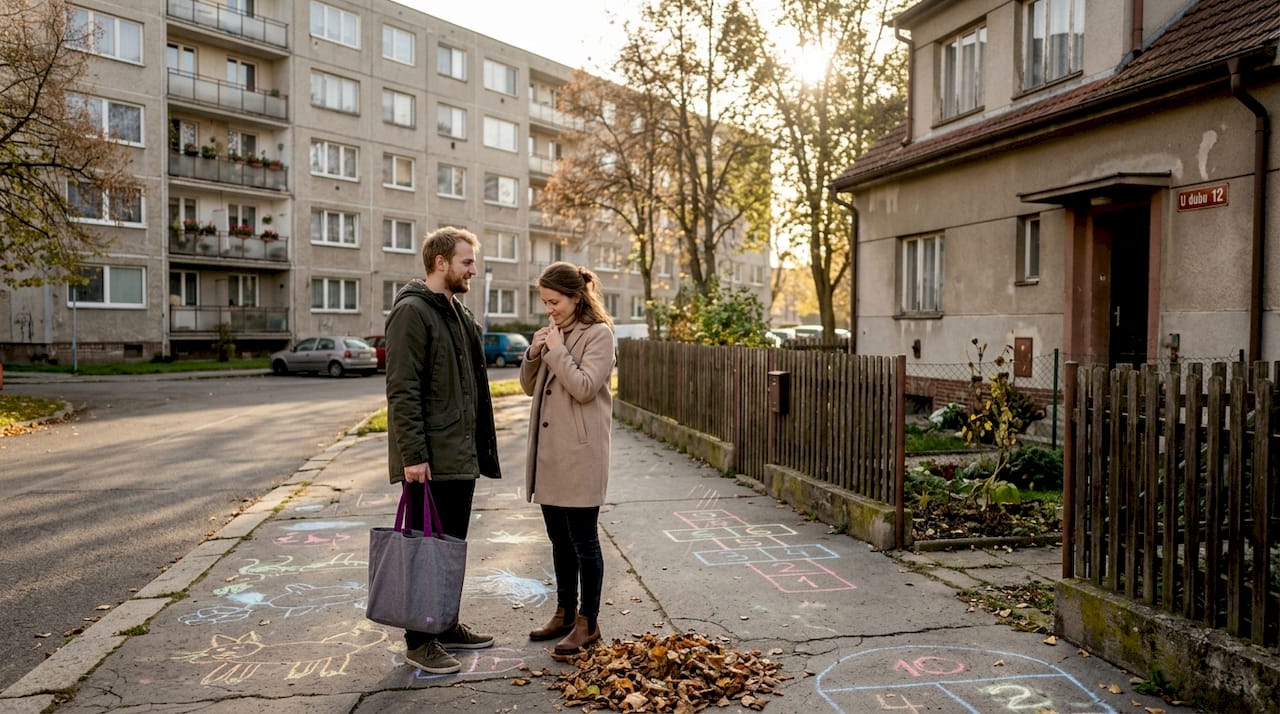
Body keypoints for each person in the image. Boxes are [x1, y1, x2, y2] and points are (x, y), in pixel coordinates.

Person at [384, 226, 502, 674]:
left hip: (459, 455)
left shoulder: (455, 311)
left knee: (450, 547)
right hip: (429, 460)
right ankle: (419, 640)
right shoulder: (413, 312)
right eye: (467, 262)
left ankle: (446, 623)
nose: (474, 269)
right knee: (424, 552)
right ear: (441, 263)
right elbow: (402, 389)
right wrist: (413, 455)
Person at [519, 262, 616, 658]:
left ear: (577, 297)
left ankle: (587, 622)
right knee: (558, 541)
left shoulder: (600, 335)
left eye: (554, 301)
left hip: (580, 455)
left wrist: (556, 352)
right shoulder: (554, 334)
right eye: (544, 303)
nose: (549, 310)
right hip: (550, 455)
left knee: (584, 542)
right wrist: (534, 351)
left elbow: (584, 388)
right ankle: (564, 611)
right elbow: (528, 387)